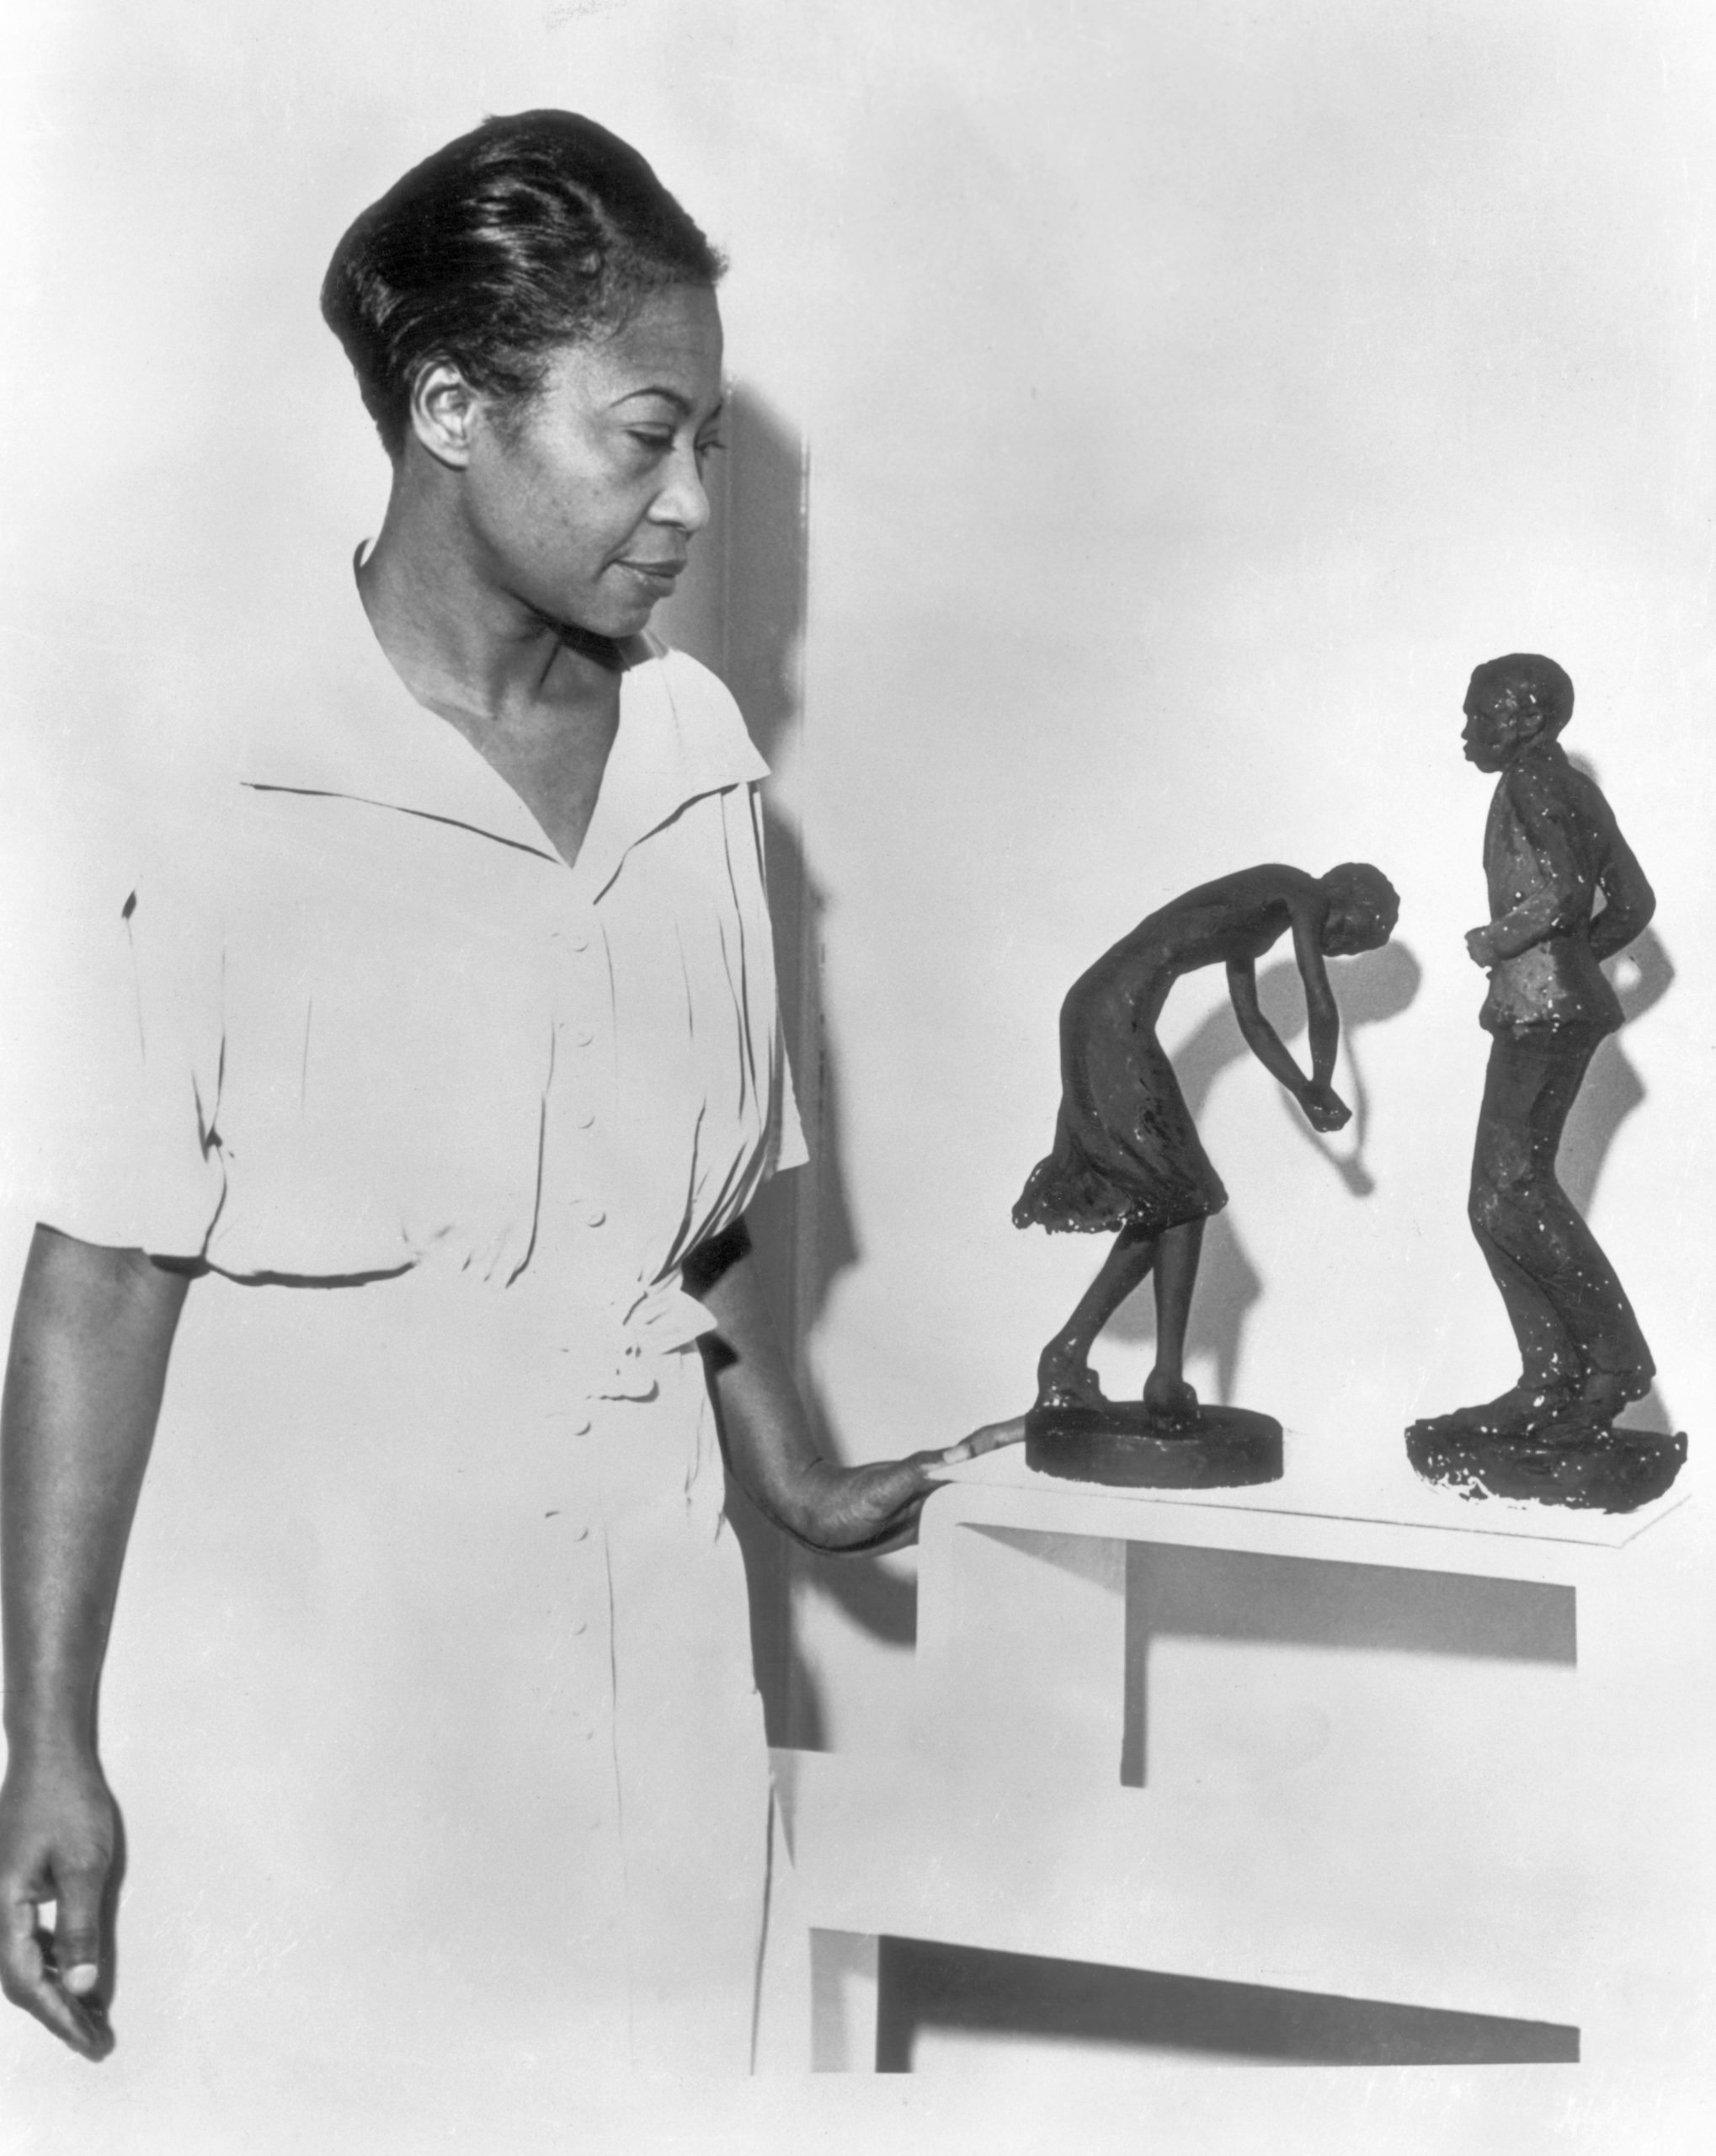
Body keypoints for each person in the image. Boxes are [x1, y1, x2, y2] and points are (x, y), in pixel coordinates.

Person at [0, 111, 1015, 2073]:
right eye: (647, 435)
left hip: (649, 1664)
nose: (694, 500)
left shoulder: (695, 752)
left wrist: (792, 1473)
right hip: (320, 1705)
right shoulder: (217, 771)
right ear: (454, 406)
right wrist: (42, 1739)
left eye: (708, 442)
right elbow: (98, 1277)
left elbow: (682, 1219)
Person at [1013, 861, 1399, 1421]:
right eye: (1346, 933)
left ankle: (1113, 1366)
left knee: (1174, 1205)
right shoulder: (1298, 889)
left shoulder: (1256, 916)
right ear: (1343, 894)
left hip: (1101, 1011)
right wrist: (1321, 1080)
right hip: (1110, 1020)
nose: (1334, 946)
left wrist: (1304, 1091)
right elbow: (1321, 1002)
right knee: (1185, 1200)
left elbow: (1255, 1022)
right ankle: (1123, 1367)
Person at [1420, 652, 1656, 1442]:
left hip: (1542, 1011)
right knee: (1498, 1199)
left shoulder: (1530, 782)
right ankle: (1551, 1377)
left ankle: (1613, 1362)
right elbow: (1635, 900)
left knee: (1507, 1193)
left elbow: (1557, 893)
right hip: (1557, 1005)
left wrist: (1500, 941)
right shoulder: (1573, 786)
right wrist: (1582, 962)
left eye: (1476, 715)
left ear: (1522, 718)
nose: (1465, 731)